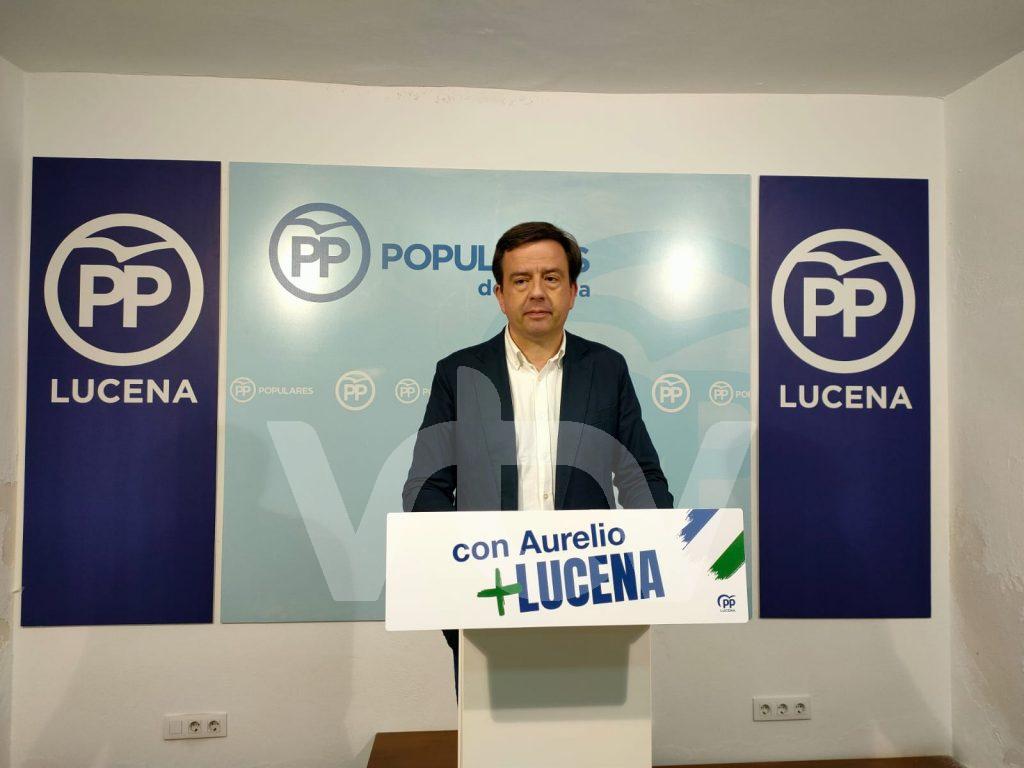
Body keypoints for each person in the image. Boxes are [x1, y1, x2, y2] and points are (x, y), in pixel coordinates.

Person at [402, 221, 673, 698]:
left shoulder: (607, 368)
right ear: (500, 295)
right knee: (498, 730)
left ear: (572, 291)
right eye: (521, 280)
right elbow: (426, 488)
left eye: (551, 278)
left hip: (591, 593)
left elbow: (639, 477)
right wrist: (459, 574)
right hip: (489, 595)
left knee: (591, 728)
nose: (537, 293)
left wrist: (657, 552)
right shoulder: (458, 372)